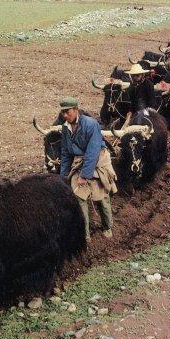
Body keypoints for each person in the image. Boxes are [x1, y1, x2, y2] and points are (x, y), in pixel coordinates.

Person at [59, 97, 117, 240]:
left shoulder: (91, 125)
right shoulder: (65, 128)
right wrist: (62, 176)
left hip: (98, 161)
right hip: (79, 162)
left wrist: (84, 175)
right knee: (79, 198)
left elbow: (93, 151)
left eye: (68, 112)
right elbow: (66, 152)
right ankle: (85, 234)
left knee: (101, 196)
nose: (65, 115)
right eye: (63, 113)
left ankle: (108, 227)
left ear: (76, 110)